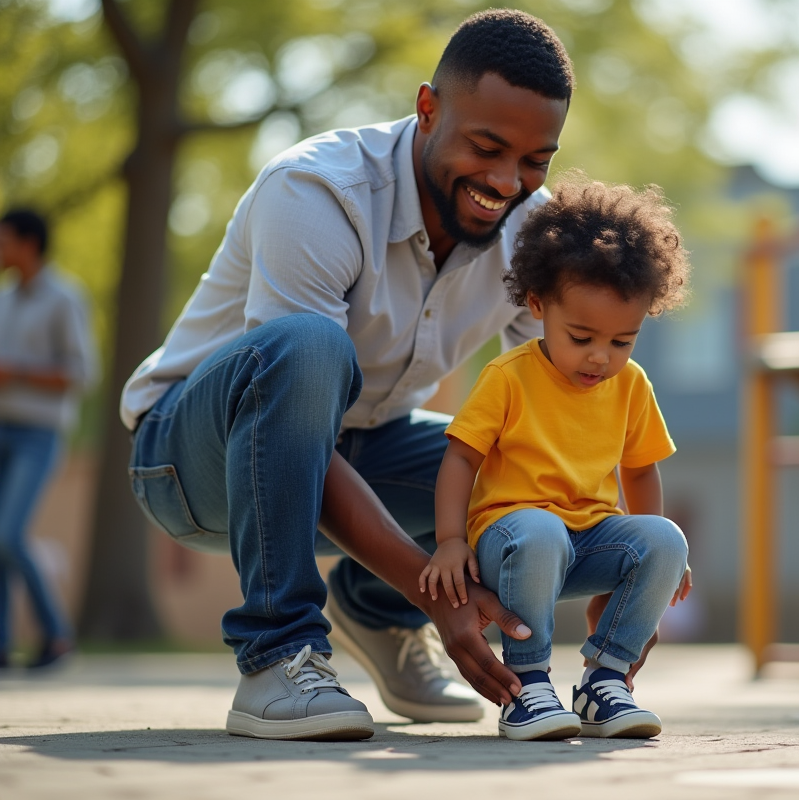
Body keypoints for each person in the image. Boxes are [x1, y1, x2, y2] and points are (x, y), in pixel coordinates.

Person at [120, 10, 644, 741]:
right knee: (307, 346)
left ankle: (377, 609)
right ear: (427, 108)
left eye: (535, 160)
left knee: (504, 460)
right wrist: (440, 597)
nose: (506, 182)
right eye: (487, 147)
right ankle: (277, 654)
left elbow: (559, 416)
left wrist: (619, 568)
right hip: (190, 463)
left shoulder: (535, 231)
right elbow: (294, 410)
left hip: (368, 443)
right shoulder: (317, 191)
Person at [418, 175, 692, 741]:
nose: (600, 358)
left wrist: (656, 562)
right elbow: (460, 459)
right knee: (540, 530)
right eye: (582, 337)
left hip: (588, 540)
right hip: (511, 540)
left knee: (667, 538)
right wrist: (449, 541)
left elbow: (640, 469)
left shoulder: (631, 386)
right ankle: (528, 686)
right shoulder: (509, 376)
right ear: (539, 304)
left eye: (621, 342)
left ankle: (605, 682)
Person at [0, 208, 97, 669]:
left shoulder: (64, 297)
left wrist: (17, 372)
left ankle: (57, 635)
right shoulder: (4, 299)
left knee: (9, 535)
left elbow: (82, 373)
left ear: (29, 244)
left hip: (38, 434)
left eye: (4, 240)